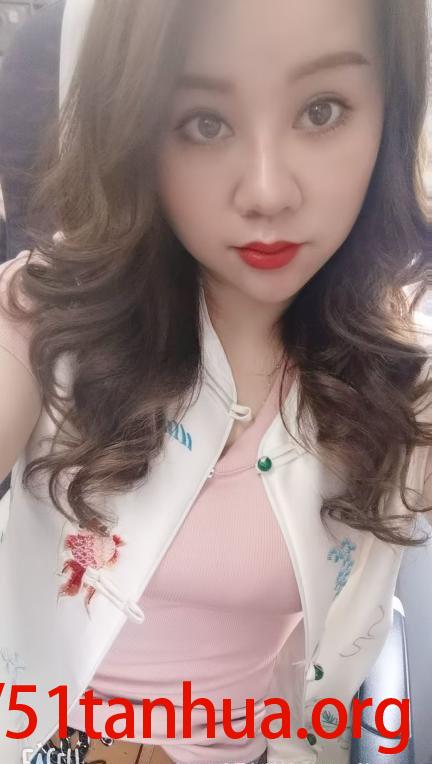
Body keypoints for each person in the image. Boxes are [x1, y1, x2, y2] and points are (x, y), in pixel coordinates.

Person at [0, 1, 431, 763]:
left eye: (321, 110)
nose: (266, 191)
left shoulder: (402, 369)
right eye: (204, 123)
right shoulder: (46, 317)